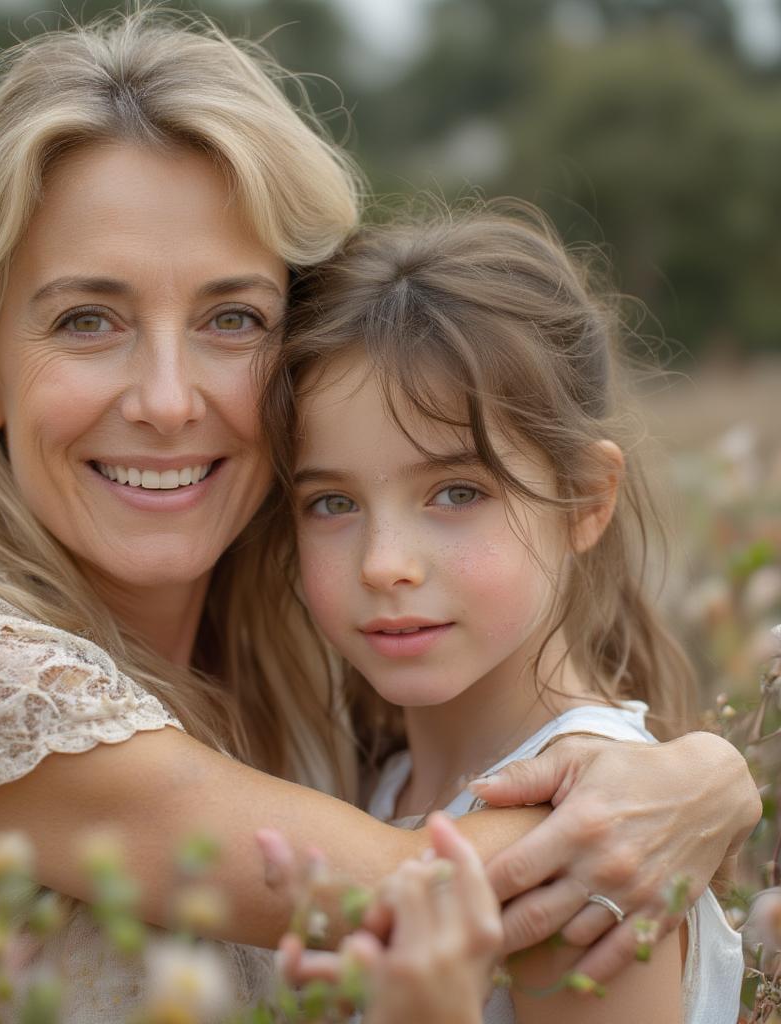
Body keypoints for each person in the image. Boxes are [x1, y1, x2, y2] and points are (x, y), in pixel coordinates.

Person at [0, 11, 758, 1022]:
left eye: (232, 318)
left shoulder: (316, 682)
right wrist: (697, 778)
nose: (169, 400)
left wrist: (704, 772)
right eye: (88, 319)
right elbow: (417, 887)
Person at [258, 206, 746, 1021]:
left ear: (586, 502)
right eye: (332, 501)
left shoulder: (595, 848)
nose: (385, 563)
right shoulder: (382, 781)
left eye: (457, 493)